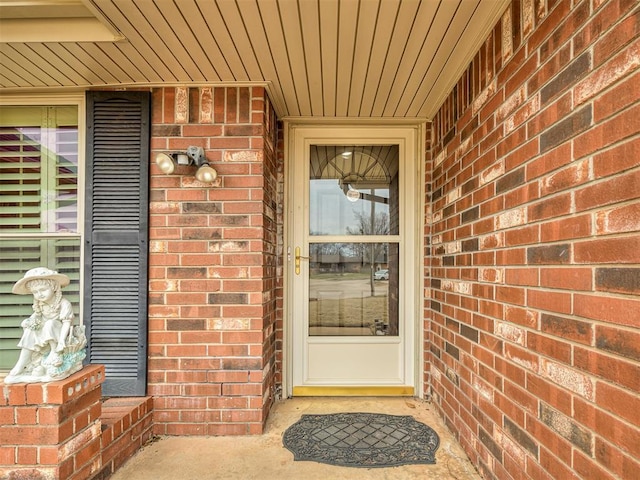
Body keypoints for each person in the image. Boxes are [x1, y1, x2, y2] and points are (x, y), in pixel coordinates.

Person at [8, 267, 75, 378]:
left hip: (59, 334)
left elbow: (66, 323)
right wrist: (29, 322)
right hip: (44, 333)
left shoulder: (64, 303)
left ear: (53, 287)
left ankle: (55, 353)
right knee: (30, 329)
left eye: (43, 290)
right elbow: (37, 316)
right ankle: (21, 363)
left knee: (50, 323)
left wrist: (62, 341)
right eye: (35, 292)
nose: (39, 294)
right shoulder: (40, 304)